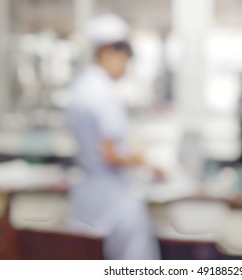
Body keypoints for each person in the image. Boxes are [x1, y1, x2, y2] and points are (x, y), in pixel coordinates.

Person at [66, 14, 162, 260]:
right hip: (112, 196)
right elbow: (109, 153)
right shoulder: (103, 91)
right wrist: (147, 162)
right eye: (125, 60)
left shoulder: (81, 86)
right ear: (108, 52)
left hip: (88, 194)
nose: (125, 69)